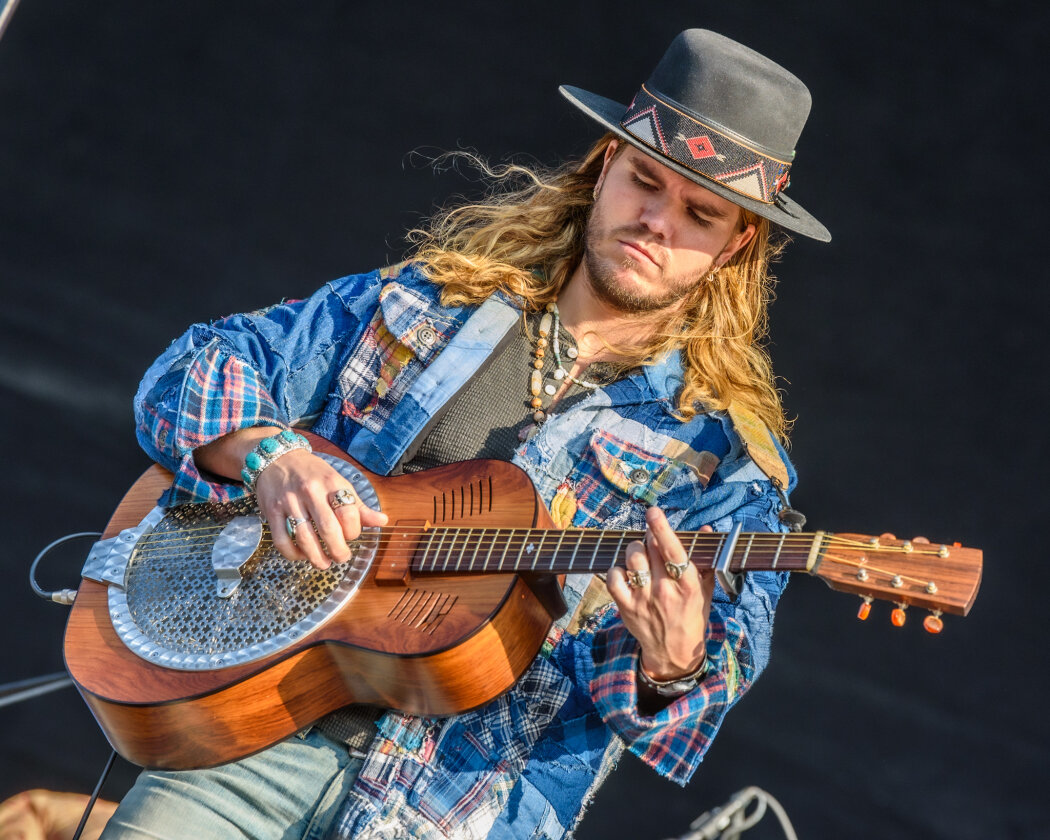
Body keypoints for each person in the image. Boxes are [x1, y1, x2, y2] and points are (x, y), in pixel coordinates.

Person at [24, 28, 831, 840]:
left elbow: (691, 699)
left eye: (699, 213)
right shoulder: (425, 304)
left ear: (737, 243)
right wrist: (272, 455)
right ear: (602, 169)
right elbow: (194, 365)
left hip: (457, 809)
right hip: (257, 731)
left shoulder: (731, 466)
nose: (656, 222)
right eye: (644, 181)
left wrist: (674, 663)